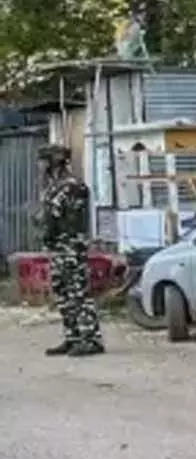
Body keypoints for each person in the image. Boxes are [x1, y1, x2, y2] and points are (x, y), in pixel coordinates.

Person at [35, 144, 104, 358]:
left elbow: (55, 217)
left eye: (43, 160)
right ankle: (73, 336)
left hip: (71, 247)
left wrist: (43, 224)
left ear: (52, 162)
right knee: (63, 293)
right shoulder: (55, 186)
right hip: (58, 246)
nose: (40, 166)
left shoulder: (72, 186)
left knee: (78, 292)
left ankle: (90, 339)